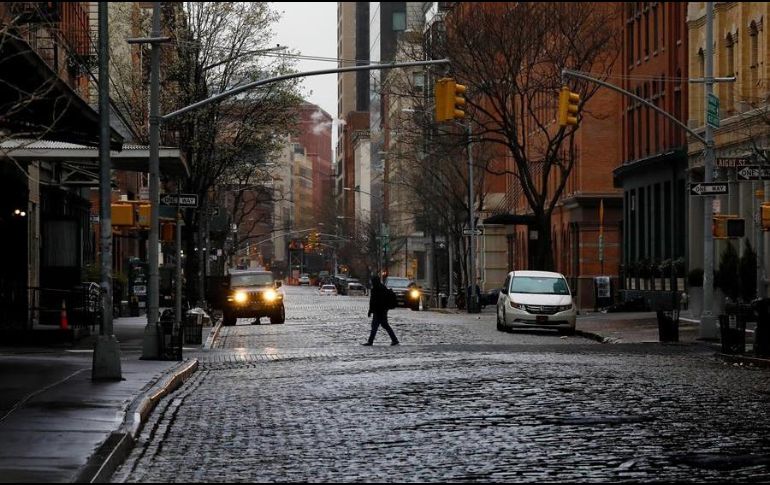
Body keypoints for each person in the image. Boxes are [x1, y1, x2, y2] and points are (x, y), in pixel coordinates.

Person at [362, 274, 399, 346]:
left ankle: (370, 341)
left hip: (379, 311)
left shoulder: (376, 289)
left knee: (375, 326)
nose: (372, 282)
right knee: (384, 325)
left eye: (372, 281)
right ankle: (394, 339)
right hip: (383, 310)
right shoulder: (383, 288)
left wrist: (370, 311)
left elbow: (373, 301)